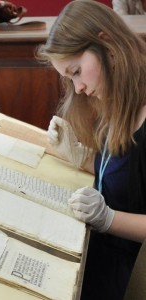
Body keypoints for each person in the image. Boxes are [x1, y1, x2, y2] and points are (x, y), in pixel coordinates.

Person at [36, 1, 146, 299]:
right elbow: (128, 175)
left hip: (130, 273)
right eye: (69, 78)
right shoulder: (121, 100)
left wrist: (108, 219)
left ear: (106, 43)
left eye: (76, 71)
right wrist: (80, 156)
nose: (79, 88)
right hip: (100, 251)